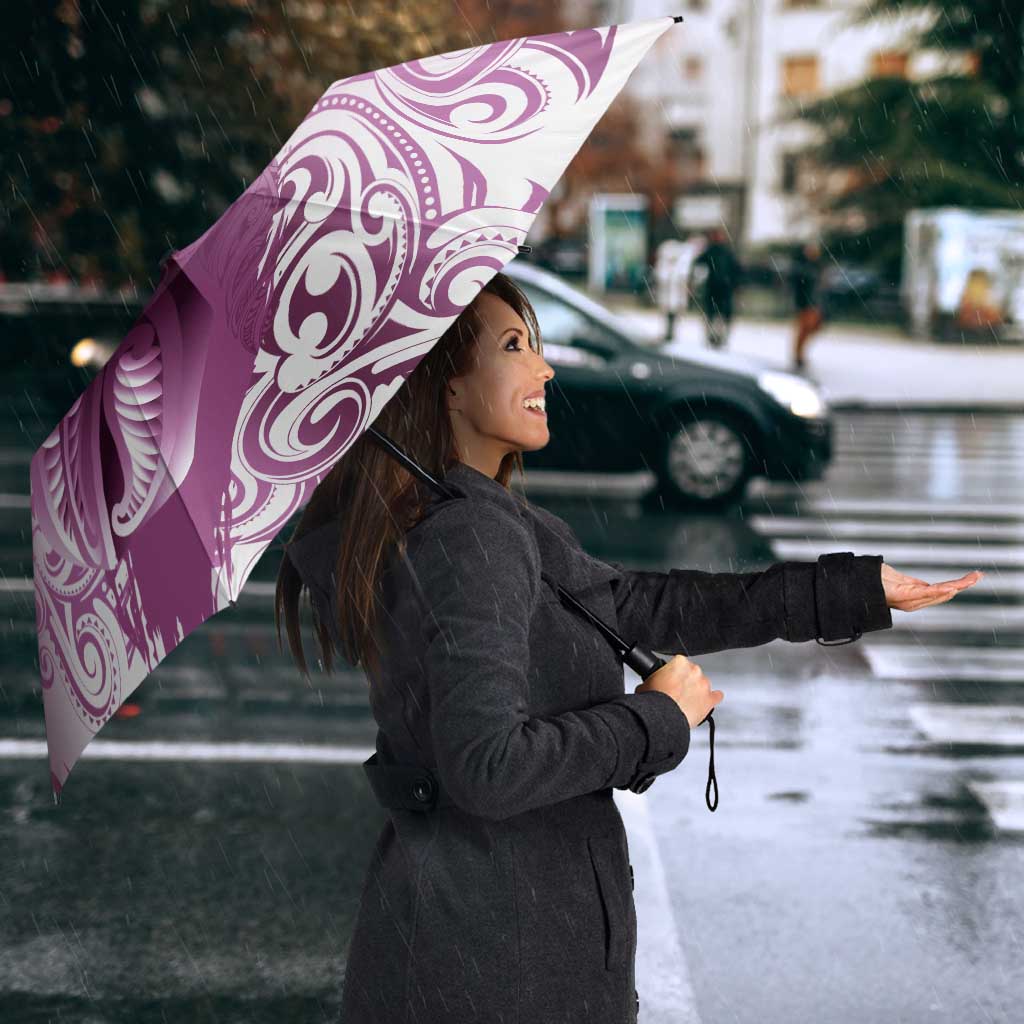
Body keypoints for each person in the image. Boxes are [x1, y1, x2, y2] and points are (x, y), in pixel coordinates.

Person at [276, 271, 979, 1024]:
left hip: (480, 941)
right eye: (514, 346)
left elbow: (641, 605)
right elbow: (487, 767)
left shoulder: (477, 518)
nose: (544, 368)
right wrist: (655, 719)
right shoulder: (470, 536)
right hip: (499, 962)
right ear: (446, 385)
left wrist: (850, 591)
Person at [692, 226, 742, 349]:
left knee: (720, 315)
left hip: (723, 288)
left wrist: (735, 284)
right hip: (715, 288)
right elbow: (698, 264)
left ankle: (719, 337)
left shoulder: (725, 252)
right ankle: (713, 337)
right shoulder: (712, 251)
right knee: (713, 314)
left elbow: (736, 270)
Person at [790, 239, 826, 370]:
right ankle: (798, 355)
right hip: (805, 303)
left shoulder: (817, 266)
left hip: (814, 303)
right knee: (804, 329)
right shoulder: (802, 267)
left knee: (812, 328)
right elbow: (799, 286)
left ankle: (799, 354)